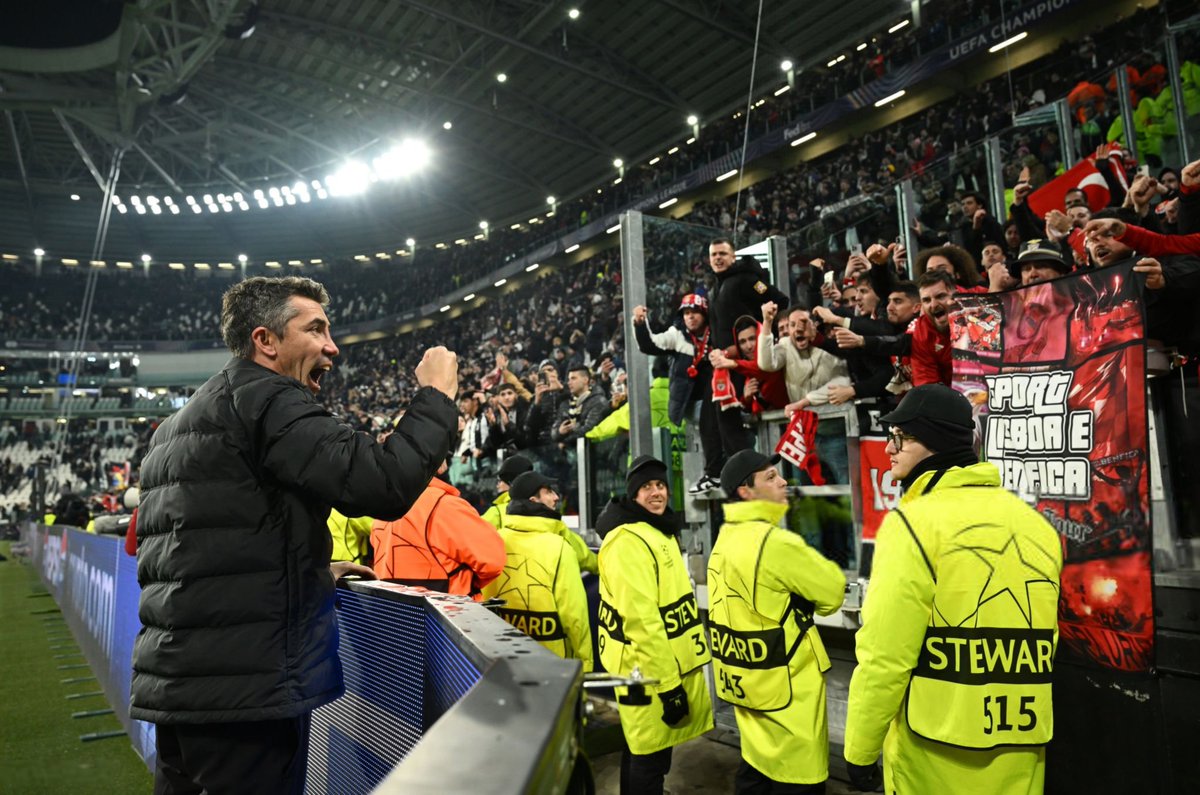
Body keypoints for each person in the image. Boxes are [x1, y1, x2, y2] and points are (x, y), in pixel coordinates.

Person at [132, 276, 459, 794]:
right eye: (316, 329)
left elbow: (193, 550)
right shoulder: (266, 399)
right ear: (266, 341)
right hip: (248, 694)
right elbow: (382, 482)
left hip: (184, 686)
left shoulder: (180, 423)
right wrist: (436, 397)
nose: (332, 346)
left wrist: (306, 564)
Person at [843, 385, 1063, 794]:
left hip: (933, 759)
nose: (889, 449)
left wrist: (859, 751)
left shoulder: (911, 525)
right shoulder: (1037, 526)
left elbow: (885, 658)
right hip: (1021, 752)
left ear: (933, 443)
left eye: (900, 437)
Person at [709, 450, 846, 793]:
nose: (783, 481)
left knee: (755, 771)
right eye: (769, 477)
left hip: (750, 685)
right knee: (798, 777)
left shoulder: (724, 539)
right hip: (790, 693)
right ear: (746, 492)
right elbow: (832, 594)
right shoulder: (776, 542)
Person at [596, 456, 713, 794]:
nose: (656, 493)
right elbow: (642, 623)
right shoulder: (629, 541)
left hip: (653, 667)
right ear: (633, 495)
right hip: (647, 671)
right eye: (646, 487)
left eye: (660, 485)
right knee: (648, 754)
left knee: (646, 748)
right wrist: (669, 686)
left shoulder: (656, 530)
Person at [481, 471, 593, 669]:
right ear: (534, 500)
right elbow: (575, 617)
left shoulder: (492, 540)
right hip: (551, 666)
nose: (556, 497)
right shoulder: (559, 548)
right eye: (549, 492)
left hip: (496, 662)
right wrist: (585, 663)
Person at [371, 460, 506, 599]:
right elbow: (493, 561)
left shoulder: (382, 507)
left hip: (392, 611)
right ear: (441, 465)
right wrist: (466, 582)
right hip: (448, 612)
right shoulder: (445, 506)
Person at [481, 454, 534, 529]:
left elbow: (476, 532)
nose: (497, 485)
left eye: (500, 481)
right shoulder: (541, 505)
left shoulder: (497, 512)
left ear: (510, 482)